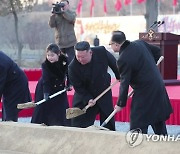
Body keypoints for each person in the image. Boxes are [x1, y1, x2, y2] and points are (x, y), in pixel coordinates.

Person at [110, 30, 173, 135]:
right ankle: (164, 144)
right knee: (157, 117)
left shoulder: (123, 59)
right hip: (157, 85)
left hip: (144, 92)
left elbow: (124, 83)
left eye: (111, 44)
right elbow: (157, 51)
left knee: (137, 122)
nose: (111, 46)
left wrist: (120, 104)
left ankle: (137, 146)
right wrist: (149, 67)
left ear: (116, 44)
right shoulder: (140, 43)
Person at [68, 41, 120, 131]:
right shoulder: (72, 67)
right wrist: (88, 98)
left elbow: (114, 63)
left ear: (90, 52)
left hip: (103, 89)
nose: (80, 59)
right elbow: (78, 88)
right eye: (78, 57)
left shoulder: (101, 52)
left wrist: (119, 75)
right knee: (79, 124)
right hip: (85, 93)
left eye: (83, 57)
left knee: (108, 118)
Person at [31, 44, 70, 126]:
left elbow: (69, 73)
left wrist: (69, 84)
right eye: (48, 55)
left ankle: (62, 125)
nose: (50, 57)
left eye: (52, 55)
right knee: (42, 108)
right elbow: (46, 80)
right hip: (45, 87)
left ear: (58, 54)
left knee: (61, 108)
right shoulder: (45, 65)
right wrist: (46, 93)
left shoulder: (65, 61)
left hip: (60, 87)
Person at [0, 51, 31, 122]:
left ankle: (9, 129)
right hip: (9, 83)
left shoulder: (1, 64)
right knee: (6, 111)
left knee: (10, 113)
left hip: (16, 85)